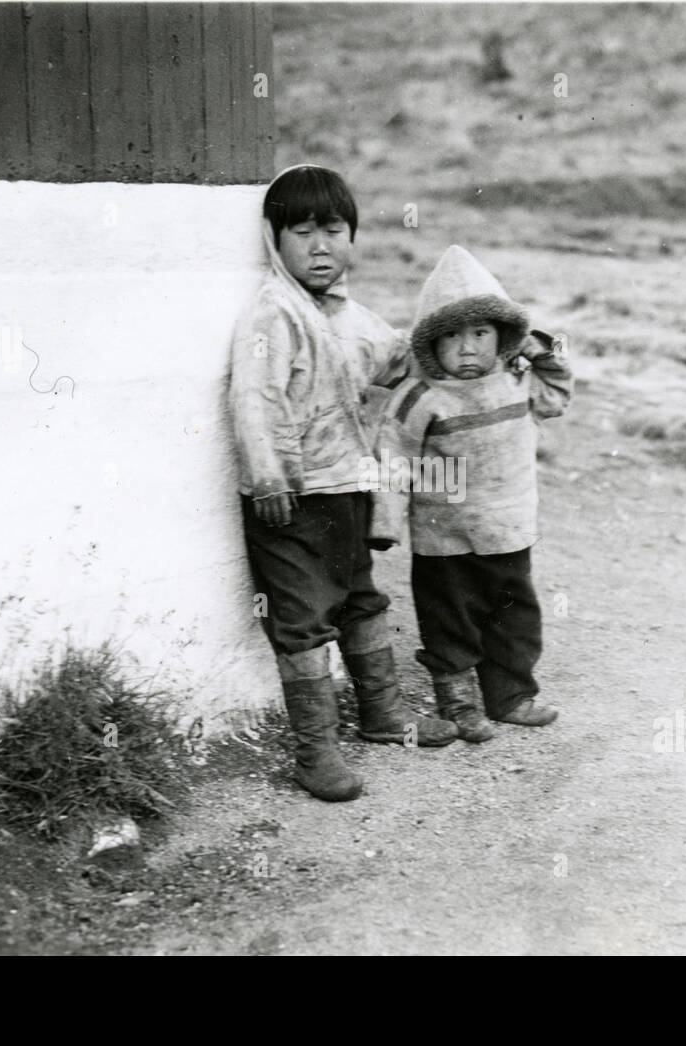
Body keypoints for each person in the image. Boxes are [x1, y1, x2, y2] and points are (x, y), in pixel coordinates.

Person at [228, 165, 458, 803]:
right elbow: (255, 399)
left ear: (353, 238)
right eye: (302, 232)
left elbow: (396, 356)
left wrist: (469, 345)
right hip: (292, 501)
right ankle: (316, 751)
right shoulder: (273, 317)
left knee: (361, 600)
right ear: (275, 241)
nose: (320, 245)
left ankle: (383, 714)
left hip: (349, 492)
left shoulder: (353, 318)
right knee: (303, 619)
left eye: (334, 230)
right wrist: (268, 476)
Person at [370, 244, 572, 741]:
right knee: (449, 620)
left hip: (508, 529)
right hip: (445, 538)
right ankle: (458, 702)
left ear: (503, 337)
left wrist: (537, 349)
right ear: (429, 345)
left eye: (481, 334)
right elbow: (393, 457)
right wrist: (385, 523)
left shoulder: (517, 384)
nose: (467, 349)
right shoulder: (421, 397)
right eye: (452, 336)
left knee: (513, 616)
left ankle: (511, 695)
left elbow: (558, 393)